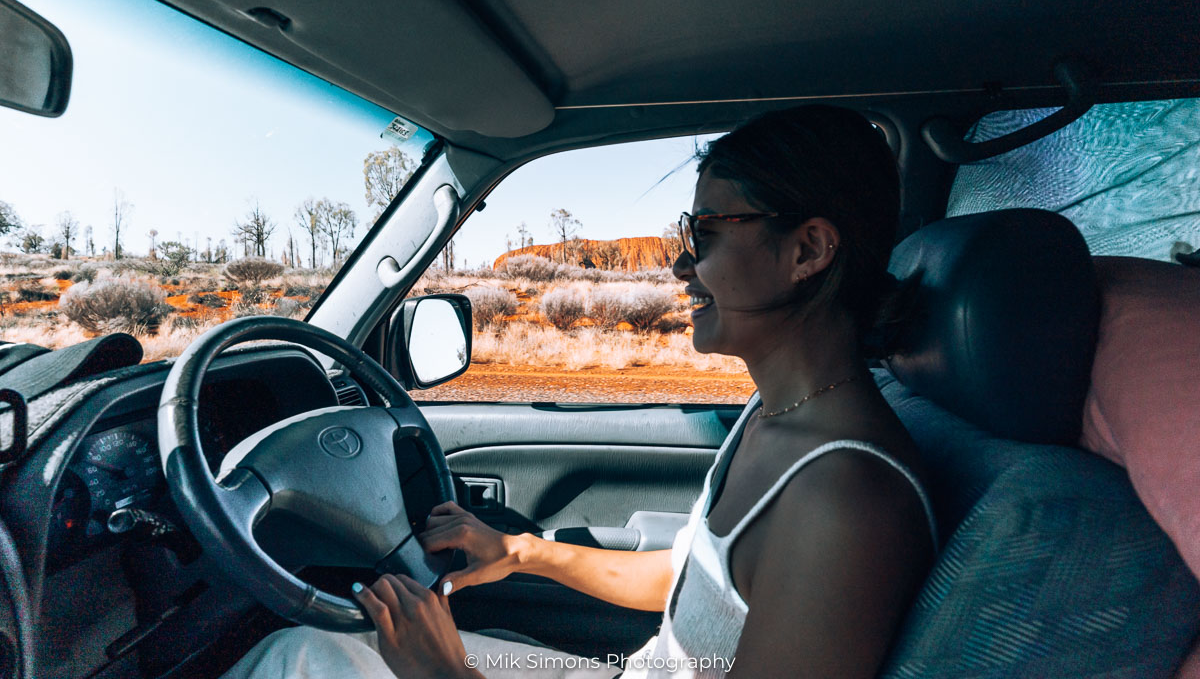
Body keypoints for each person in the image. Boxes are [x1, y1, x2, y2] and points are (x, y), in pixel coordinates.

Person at [223, 105, 937, 678]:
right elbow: (696, 587)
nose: (684, 267)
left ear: (808, 250)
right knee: (328, 647)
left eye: (709, 234)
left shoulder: (846, 499)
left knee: (301, 659)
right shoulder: (777, 412)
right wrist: (523, 552)